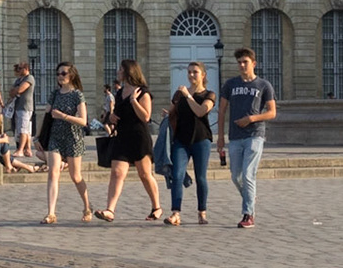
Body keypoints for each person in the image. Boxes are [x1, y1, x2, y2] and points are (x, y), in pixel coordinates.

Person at [216, 46, 277, 229]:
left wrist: (252, 118)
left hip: (255, 135)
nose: (242, 65)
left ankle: (248, 214)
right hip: (235, 136)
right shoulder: (230, 85)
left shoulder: (263, 85)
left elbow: (272, 112)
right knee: (236, 176)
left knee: (249, 174)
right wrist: (220, 137)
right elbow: (222, 111)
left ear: (254, 64)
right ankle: (249, 196)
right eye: (239, 62)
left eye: (245, 62)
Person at [94, 58, 162, 223]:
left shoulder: (143, 92)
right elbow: (116, 113)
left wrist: (133, 101)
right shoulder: (119, 92)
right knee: (117, 173)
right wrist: (112, 116)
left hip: (139, 138)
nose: (118, 72)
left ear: (128, 71)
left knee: (145, 174)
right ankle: (110, 210)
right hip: (122, 137)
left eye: (120, 69)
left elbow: (145, 117)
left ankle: (156, 207)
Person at [165, 60, 216, 225]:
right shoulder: (179, 94)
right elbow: (172, 111)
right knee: (177, 175)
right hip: (181, 139)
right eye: (189, 72)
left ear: (203, 75)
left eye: (195, 72)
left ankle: (202, 211)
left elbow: (201, 112)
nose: (191, 75)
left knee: (201, 177)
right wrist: (167, 114)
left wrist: (188, 96)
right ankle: (175, 213)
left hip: (201, 139)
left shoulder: (209, 94)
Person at [42, 62, 93, 225]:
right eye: (58, 74)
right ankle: (51, 213)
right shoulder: (55, 94)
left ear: (71, 75)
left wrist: (63, 116)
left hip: (73, 137)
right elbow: (46, 115)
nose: (60, 76)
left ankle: (86, 207)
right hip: (55, 137)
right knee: (53, 173)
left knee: (75, 176)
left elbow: (83, 121)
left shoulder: (78, 95)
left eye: (63, 73)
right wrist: (37, 137)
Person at [7, 61, 39, 169]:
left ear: (26, 69)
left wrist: (16, 90)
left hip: (25, 107)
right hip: (18, 106)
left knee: (23, 129)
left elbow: (20, 89)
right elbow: (11, 92)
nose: (18, 70)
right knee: (26, 129)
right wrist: (15, 91)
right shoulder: (19, 80)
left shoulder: (29, 78)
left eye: (20, 68)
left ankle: (20, 150)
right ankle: (28, 149)